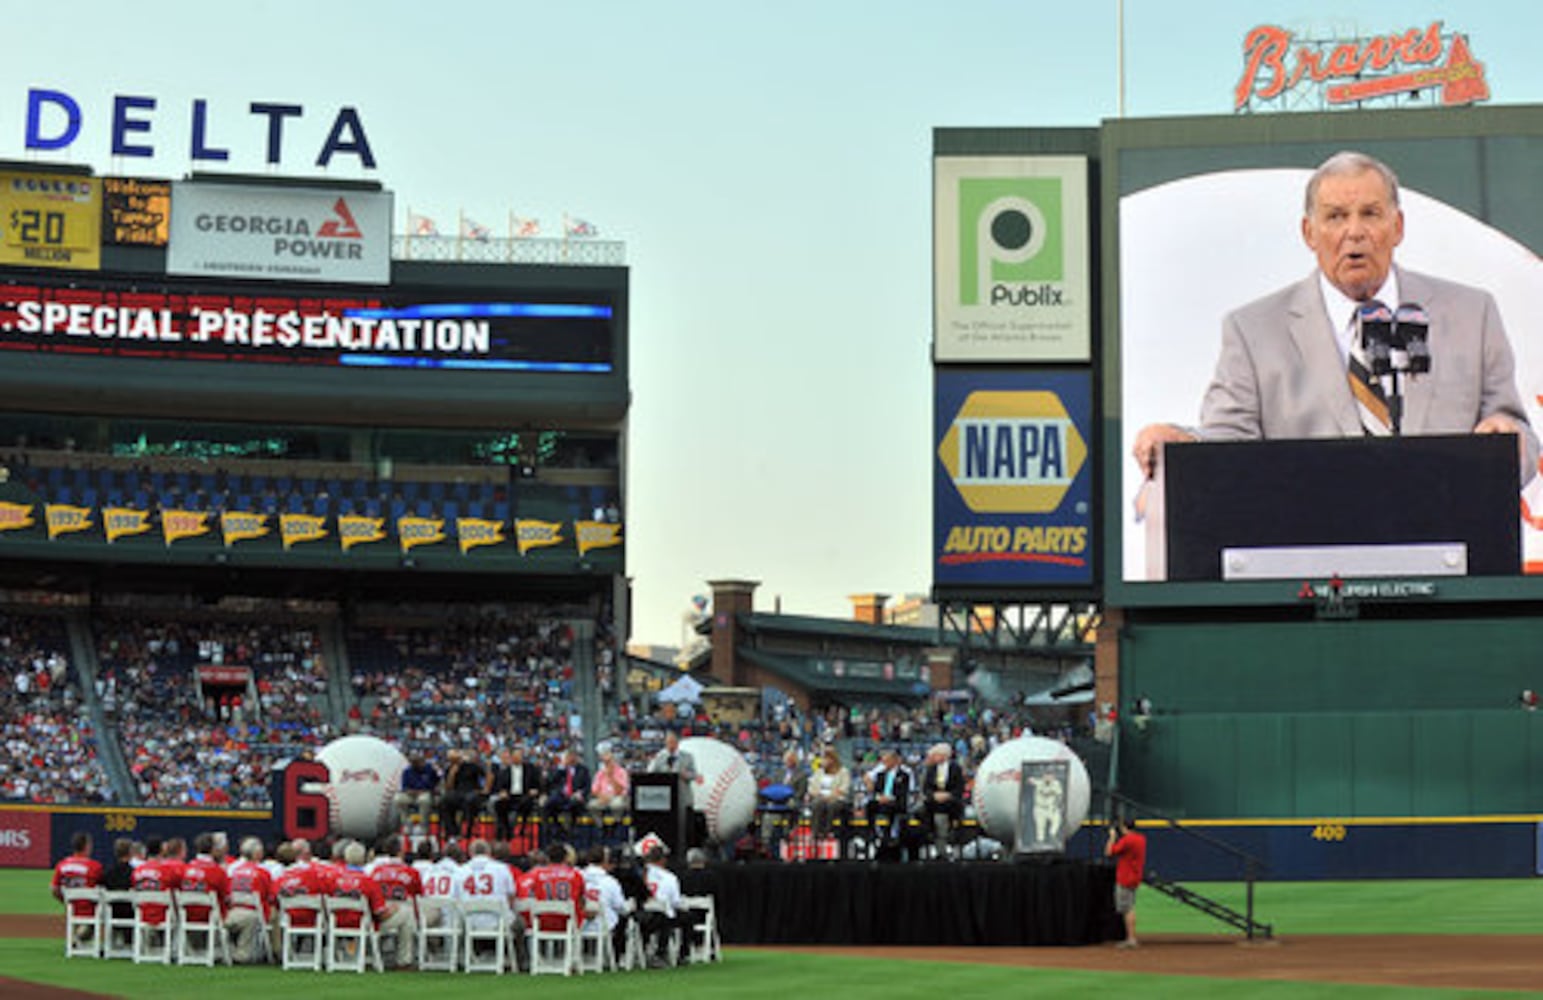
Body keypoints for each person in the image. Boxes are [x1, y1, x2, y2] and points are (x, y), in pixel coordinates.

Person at [1133, 150, 1538, 484]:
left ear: (1397, 227)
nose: (1355, 232)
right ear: (1309, 234)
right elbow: (1229, 444)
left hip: (1448, 552)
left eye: (1371, 213)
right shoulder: (1254, 331)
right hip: (1309, 557)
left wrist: (1508, 439)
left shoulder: (1470, 314)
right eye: (1336, 217)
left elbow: (1519, 439)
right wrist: (1184, 442)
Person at [225, 836, 275, 964]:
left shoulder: (235, 871)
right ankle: (243, 955)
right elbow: (270, 897)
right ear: (257, 854)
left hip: (231, 913)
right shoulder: (263, 873)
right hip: (252, 913)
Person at [580, 845, 630, 964]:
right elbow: (621, 907)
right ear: (605, 861)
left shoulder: (578, 877)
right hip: (604, 925)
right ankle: (617, 957)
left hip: (578, 924)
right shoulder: (610, 882)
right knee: (624, 918)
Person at [917, 743, 965, 860]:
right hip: (934, 800)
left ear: (944, 755)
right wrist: (934, 795)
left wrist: (948, 795)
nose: (934, 757)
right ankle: (931, 834)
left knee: (949, 808)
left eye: (936, 755)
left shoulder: (956, 768)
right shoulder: (931, 769)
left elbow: (959, 787)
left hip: (950, 800)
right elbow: (926, 787)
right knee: (922, 810)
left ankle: (949, 840)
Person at [51, 831, 102, 941]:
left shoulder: (62, 864)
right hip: (90, 910)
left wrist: (65, 900)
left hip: (70, 907)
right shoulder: (94, 866)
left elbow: (54, 889)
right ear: (86, 846)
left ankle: (78, 933)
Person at [1106, 816, 1148, 948]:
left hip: (1126, 876)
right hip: (1135, 875)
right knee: (1129, 907)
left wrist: (1112, 837)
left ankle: (1131, 938)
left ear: (1124, 827)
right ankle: (1131, 937)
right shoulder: (1141, 839)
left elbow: (1108, 852)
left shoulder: (1127, 840)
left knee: (1127, 909)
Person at [867, 749, 912, 855]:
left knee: (891, 808)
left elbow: (902, 792)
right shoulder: (880, 775)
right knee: (870, 806)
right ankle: (872, 832)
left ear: (894, 761)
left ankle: (890, 836)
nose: (884, 764)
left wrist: (890, 798)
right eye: (883, 761)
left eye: (886, 761)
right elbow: (876, 790)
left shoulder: (904, 775)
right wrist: (879, 797)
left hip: (895, 801)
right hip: (882, 800)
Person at [807, 745, 851, 849]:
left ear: (832, 759)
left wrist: (831, 796)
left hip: (837, 799)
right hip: (820, 797)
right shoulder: (818, 772)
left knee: (832, 805)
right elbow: (811, 788)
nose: (822, 761)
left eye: (825, 758)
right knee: (817, 803)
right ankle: (815, 832)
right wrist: (818, 794)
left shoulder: (843, 772)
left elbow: (844, 789)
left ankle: (827, 831)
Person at [544, 748, 591, 842]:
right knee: (549, 804)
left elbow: (587, 786)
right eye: (569, 756)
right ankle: (555, 829)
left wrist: (580, 793)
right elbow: (550, 782)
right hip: (561, 796)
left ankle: (571, 831)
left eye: (573, 756)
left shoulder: (583, 770)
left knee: (574, 804)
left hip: (575, 796)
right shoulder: (560, 769)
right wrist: (561, 767)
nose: (571, 759)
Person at [395, 753, 440, 832]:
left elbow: (435, 783)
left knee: (424, 800)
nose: (416, 764)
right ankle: (407, 823)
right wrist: (412, 792)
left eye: (418, 762)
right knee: (398, 799)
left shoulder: (429, 769)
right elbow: (405, 788)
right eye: (413, 762)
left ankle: (423, 826)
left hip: (425, 794)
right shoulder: (407, 772)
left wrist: (431, 790)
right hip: (412, 795)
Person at [588, 744, 631, 821]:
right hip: (603, 797)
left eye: (610, 762)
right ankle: (599, 825)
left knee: (616, 805)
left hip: (617, 797)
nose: (608, 764)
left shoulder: (622, 772)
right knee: (592, 805)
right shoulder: (600, 773)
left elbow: (621, 791)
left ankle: (616, 823)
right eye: (606, 763)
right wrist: (601, 796)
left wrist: (611, 777)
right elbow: (594, 790)